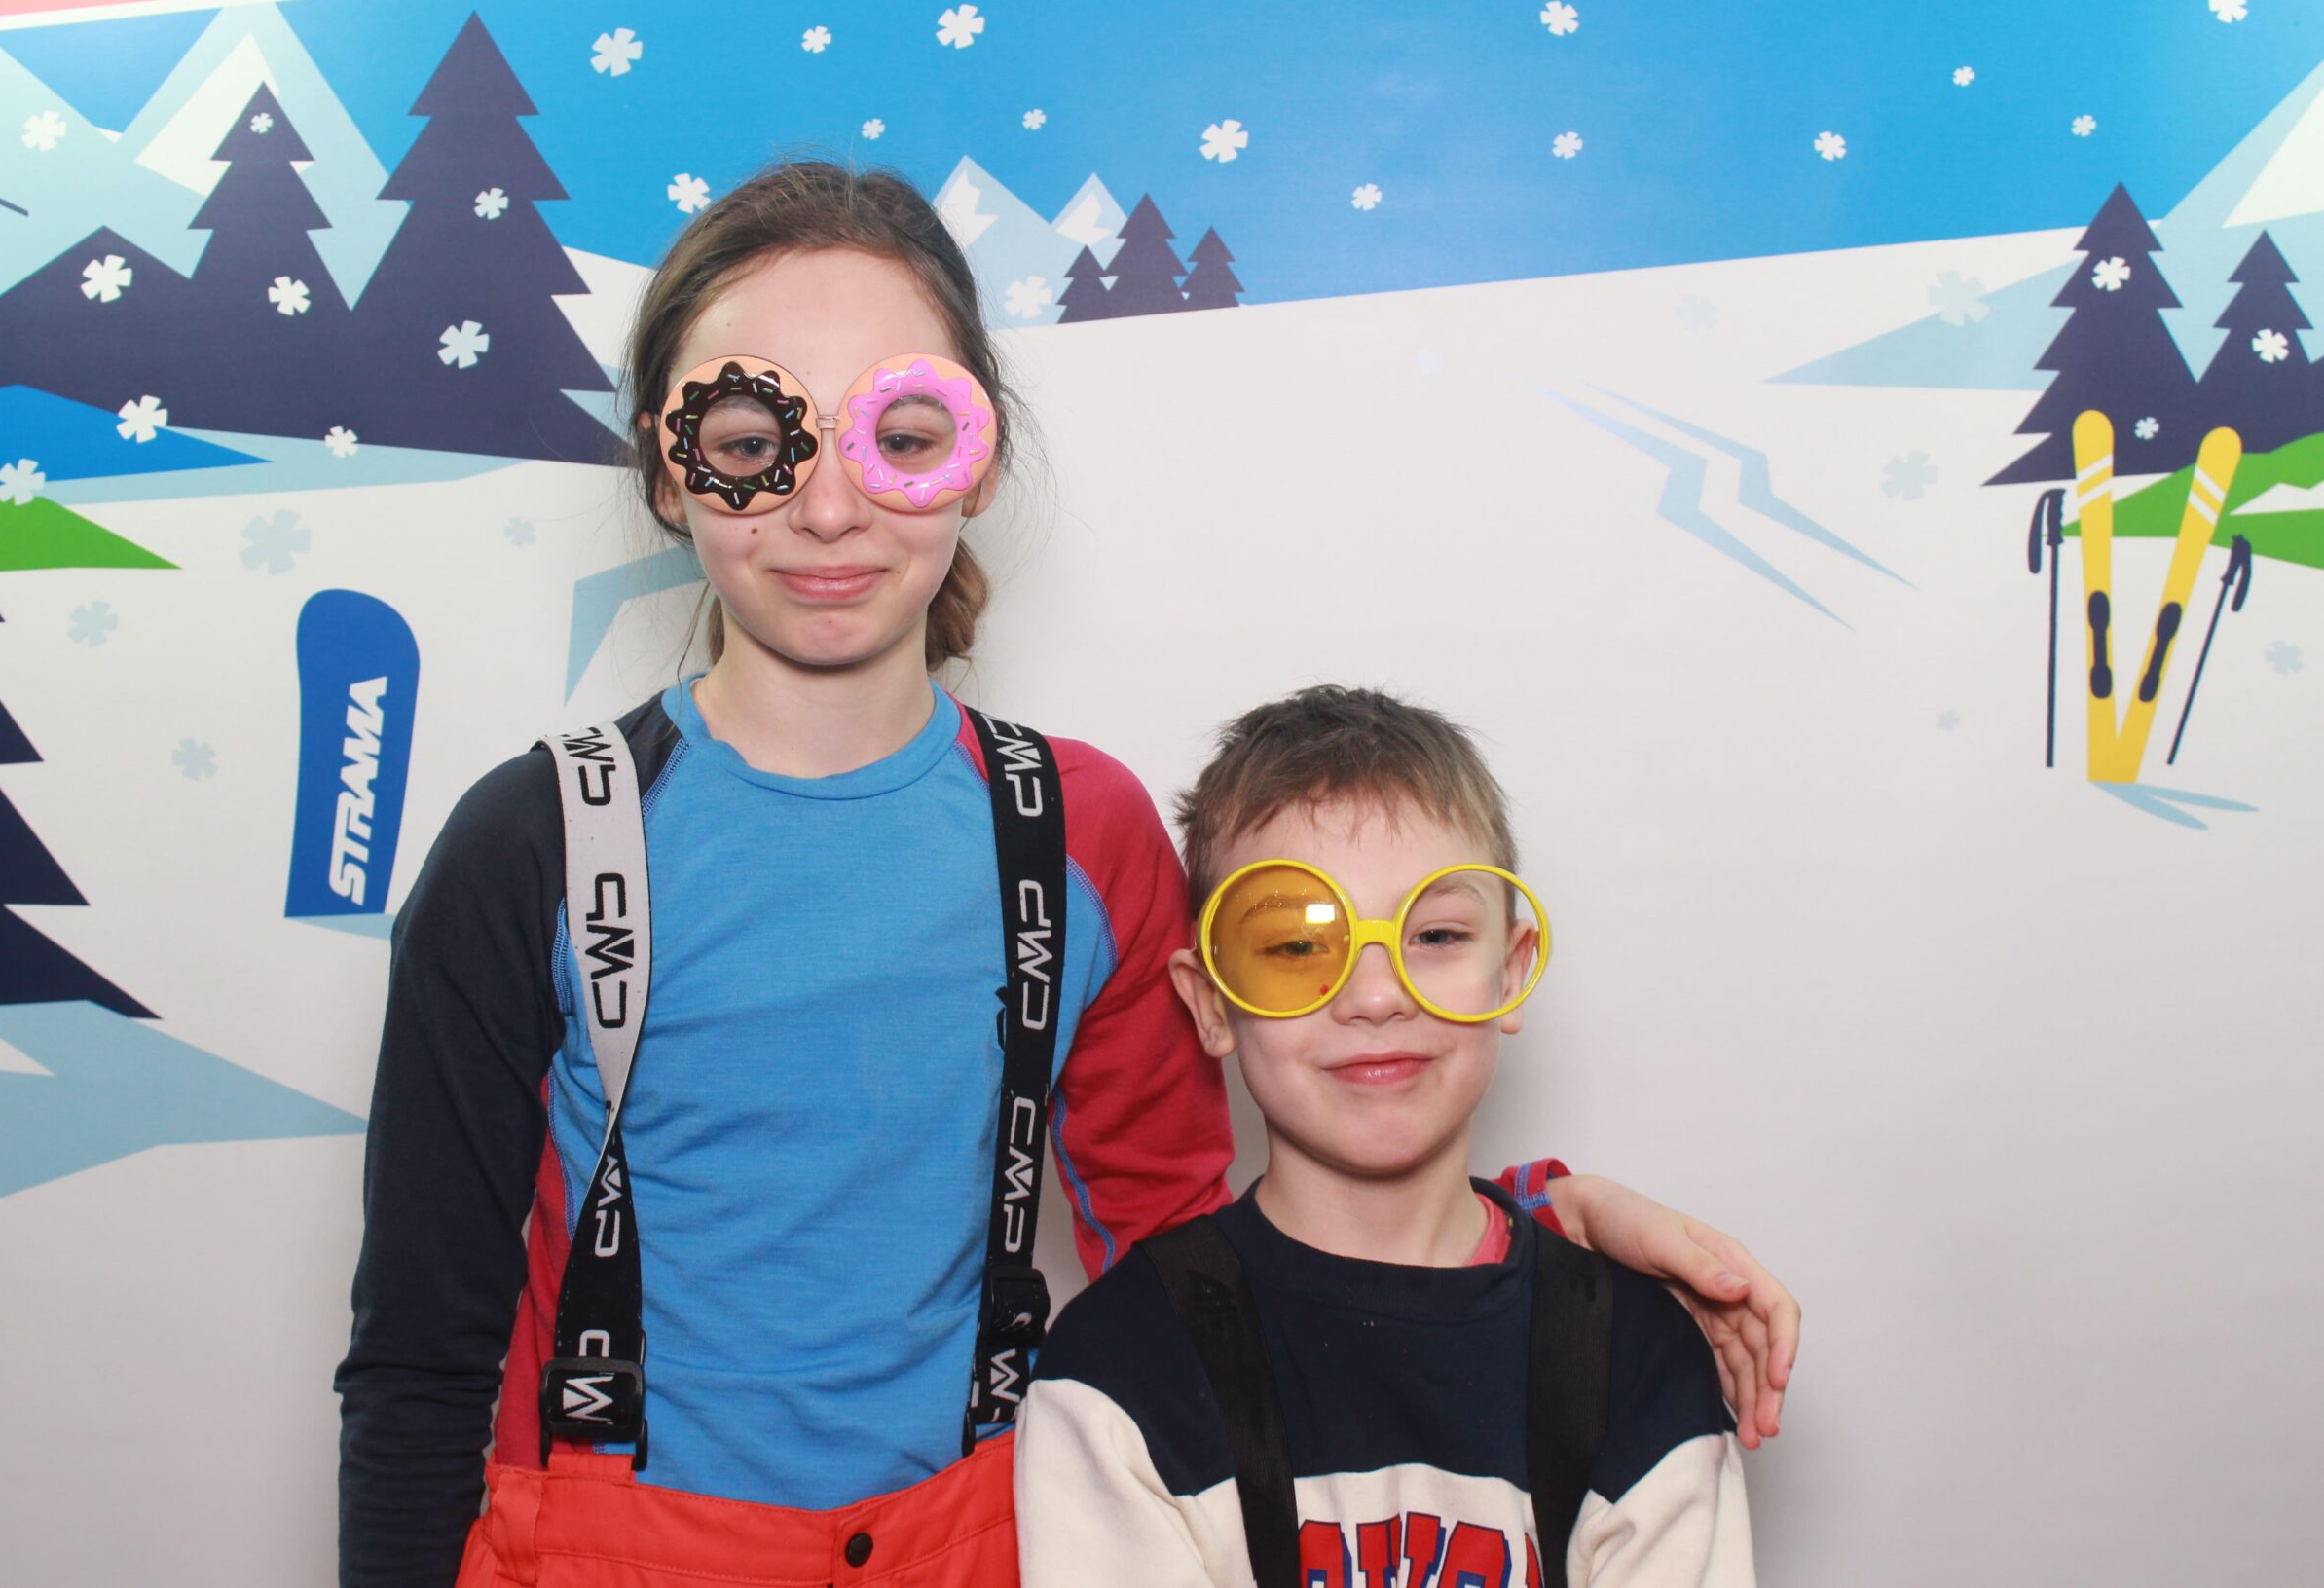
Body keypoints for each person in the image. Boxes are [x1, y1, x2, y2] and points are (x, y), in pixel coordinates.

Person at [335, 163, 1792, 1588]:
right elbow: (419, 1354)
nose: (829, 510)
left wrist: (1533, 1224)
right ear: (671, 466)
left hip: (988, 1543)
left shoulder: (1076, 831)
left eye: (900, 433)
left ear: (974, 456)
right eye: (750, 435)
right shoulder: (534, 845)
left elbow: (1214, 1265)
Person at [1014, 686, 1756, 1587]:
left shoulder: (1638, 1361)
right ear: (1210, 1002)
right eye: (1297, 946)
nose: (1375, 995)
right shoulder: (1120, 1370)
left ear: (1511, 970)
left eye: (1436, 933)